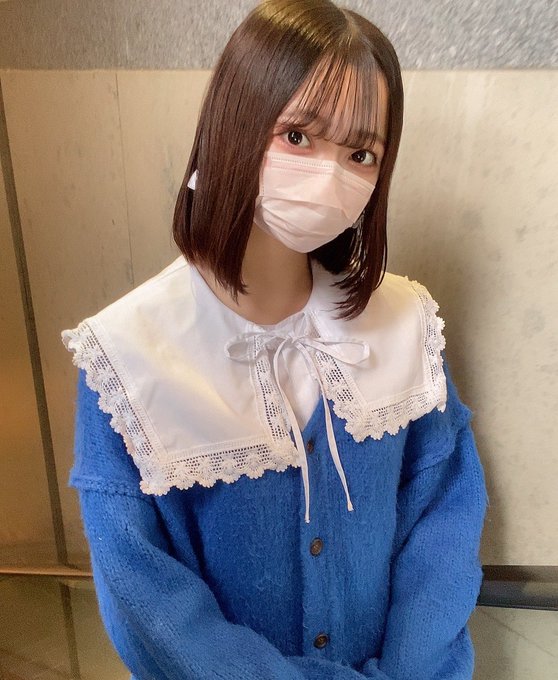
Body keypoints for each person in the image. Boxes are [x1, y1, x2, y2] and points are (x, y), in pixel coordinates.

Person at [61, 0, 489, 678]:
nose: (329, 174)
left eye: (361, 153)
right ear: (234, 123)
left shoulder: (405, 324)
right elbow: (146, 595)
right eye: (297, 135)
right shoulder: (127, 355)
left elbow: (443, 526)